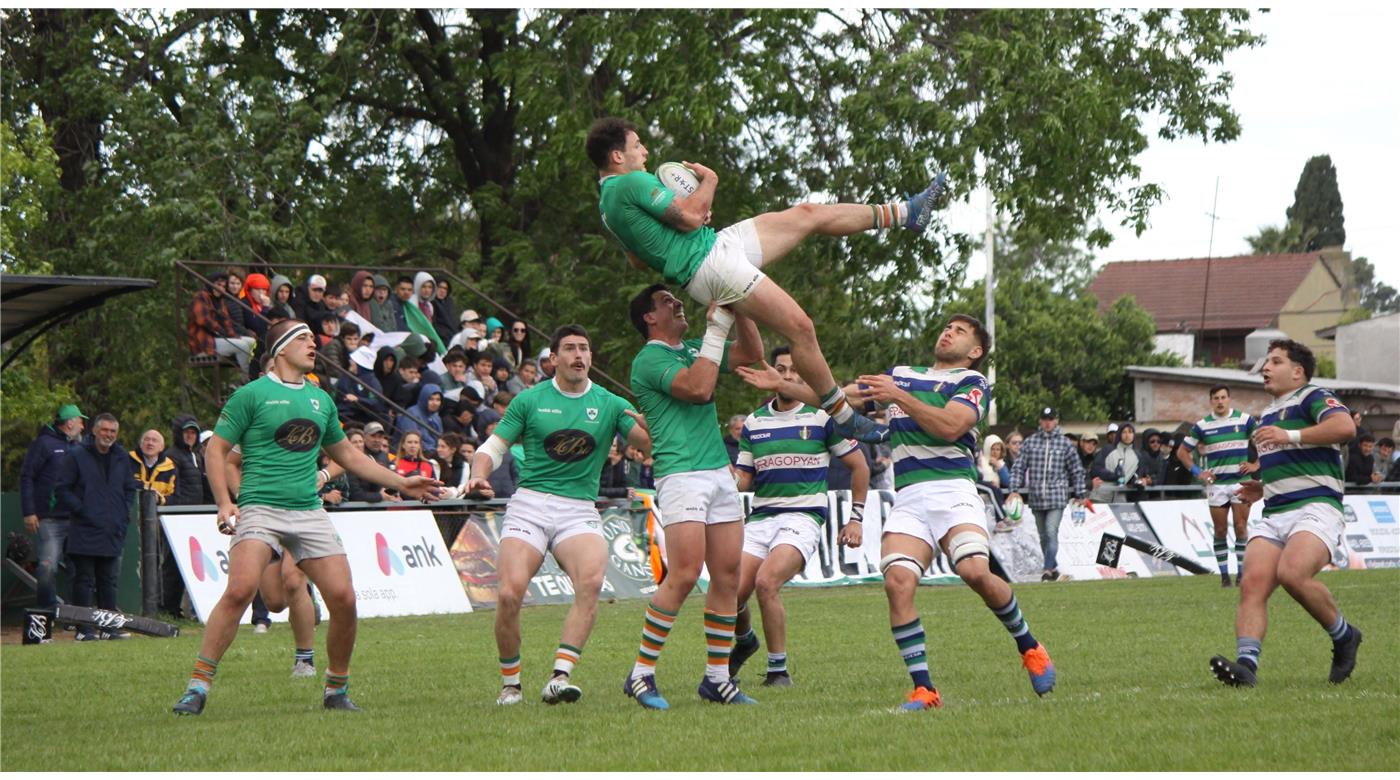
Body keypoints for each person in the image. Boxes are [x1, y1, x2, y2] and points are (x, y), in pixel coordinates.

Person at [739, 314, 1056, 710]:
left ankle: (1029, 646)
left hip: (953, 490)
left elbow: (950, 426)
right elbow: (838, 399)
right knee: (898, 583)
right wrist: (785, 385)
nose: (947, 332)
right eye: (947, 327)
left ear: (975, 352)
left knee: (974, 571)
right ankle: (924, 689)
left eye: (959, 331)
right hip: (908, 496)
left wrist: (898, 396)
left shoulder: (972, 383)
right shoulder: (902, 374)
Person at [588, 117, 947, 444]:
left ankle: (906, 213)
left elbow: (637, 258)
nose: (645, 151)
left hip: (715, 247)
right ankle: (843, 414)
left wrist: (685, 217)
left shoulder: (607, 203)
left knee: (807, 214)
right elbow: (692, 217)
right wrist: (707, 183)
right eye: (637, 145)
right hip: (710, 265)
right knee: (801, 328)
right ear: (618, 156)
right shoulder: (632, 181)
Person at [172, 318, 442, 716]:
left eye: (315, 339)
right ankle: (198, 685)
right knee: (241, 590)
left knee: (344, 598)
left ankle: (336, 688)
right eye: (304, 338)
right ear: (281, 348)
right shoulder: (252, 395)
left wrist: (402, 483)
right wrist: (225, 502)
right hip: (260, 507)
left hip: (308, 509)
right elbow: (217, 451)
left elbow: (348, 456)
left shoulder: (320, 399)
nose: (313, 344)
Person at [467, 324, 653, 705]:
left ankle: (559, 676)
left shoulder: (610, 403)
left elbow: (647, 444)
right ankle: (511, 684)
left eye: (584, 348)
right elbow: (492, 447)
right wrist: (477, 475)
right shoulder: (530, 401)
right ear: (553, 359)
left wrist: (657, 422)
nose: (578, 355)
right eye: (569, 348)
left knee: (591, 581)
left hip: (579, 509)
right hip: (530, 504)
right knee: (508, 593)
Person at [620, 283, 763, 708]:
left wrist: (739, 301)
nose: (678, 303)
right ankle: (641, 674)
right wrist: (717, 327)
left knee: (727, 575)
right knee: (683, 574)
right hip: (680, 473)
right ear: (649, 317)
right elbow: (699, 389)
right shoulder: (650, 358)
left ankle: (717, 678)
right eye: (667, 302)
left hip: (719, 471)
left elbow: (752, 351)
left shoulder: (696, 347)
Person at [1209, 339, 1361, 689]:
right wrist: (1263, 487)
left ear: (1297, 372)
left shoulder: (1313, 395)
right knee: (1253, 583)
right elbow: (1293, 461)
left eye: (1275, 361)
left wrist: (1288, 434)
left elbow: (1345, 428)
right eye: (1266, 361)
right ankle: (1246, 666)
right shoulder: (1269, 413)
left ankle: (1344, 636)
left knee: (1292, 573)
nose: (1266, 367)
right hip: (1276, 511)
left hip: (1317, 506)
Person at [729, 345, 868, 687]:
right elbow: (744, 479)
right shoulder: (754, 423)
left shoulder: (822, 418)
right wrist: (719, 479)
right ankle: (745, 640)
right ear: (772, 373)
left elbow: (859, 466)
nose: (788, 376)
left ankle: (778, 671)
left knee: (766, 582)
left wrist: (856, 519)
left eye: (795, 370)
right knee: (729, 595)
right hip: (761, 519)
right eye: (781, 369)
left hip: (803, 517)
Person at [53, 413, 141, 640]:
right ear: (94, 430)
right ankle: (84, 629)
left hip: (113, 529)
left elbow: (129, 488)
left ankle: (109, 628)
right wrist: (82, 510)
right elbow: (62, 489)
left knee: (108, 581)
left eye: (113, 431)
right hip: (84, 528)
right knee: (84, 580)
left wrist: (124, 513)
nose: (109, 435)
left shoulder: (121, 456)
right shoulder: (76, 455)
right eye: (105, 430)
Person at [1177, 386, 1261, 586]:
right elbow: (1182, 452)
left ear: (1229, 399)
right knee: (1220, 530)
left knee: (1241, 528)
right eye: (1216, 398)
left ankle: (1241, 574)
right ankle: (1224, 576)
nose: (1220, 401)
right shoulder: (1202, 425)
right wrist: (1199, 472)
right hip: (1217, 485)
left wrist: (1256, 464)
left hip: (1241, 482)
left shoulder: (1245, 420)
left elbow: (1264, 443)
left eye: (1223, 397)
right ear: (1211, 401)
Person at [1007, 408, 1087, 582]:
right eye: (1044, 419)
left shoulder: (1065, 444)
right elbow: (1018, 467)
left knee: (1051, 531)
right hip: (1036, 498)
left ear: (1056, 420)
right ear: (1040, 421)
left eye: (1051, 419)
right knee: (1043, 536)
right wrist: (1014, 489)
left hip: (1057, 497)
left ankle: (1047, 570)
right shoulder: (1030, 443)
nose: (1048, 422)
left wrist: (1080, 493)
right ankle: (1054, 568)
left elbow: (1076, 470)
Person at [21, 404, 87, 608]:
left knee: (79, 568)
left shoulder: (79, 447)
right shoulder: (43, 444)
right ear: (70, 423)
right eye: (80, 421)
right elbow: (27, 476)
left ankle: (74, 615)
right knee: (47, 567)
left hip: (75, 517)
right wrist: (29, 511)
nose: (83, 426)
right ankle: (46, 614)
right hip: (49, 519)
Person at [187, 272, 256, 373]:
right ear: (211, 283)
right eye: (218, 285)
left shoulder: (220, 300)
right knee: (243, 346)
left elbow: (226, 321)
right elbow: (203, 320)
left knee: (252, 342)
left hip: (218, 339)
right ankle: (249, 376)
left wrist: (232, 335)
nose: (220, 288)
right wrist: (221, 331)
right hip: (204, 343)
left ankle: (249, 372)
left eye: (223, 286)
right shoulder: (201, 297)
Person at [130, 429, 178, 504]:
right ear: (141, 444)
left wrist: (159, 499)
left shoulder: (171, 468)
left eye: (154, 440)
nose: (150, 443)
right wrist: (145, 488)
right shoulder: (128, 460)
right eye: (147, 439)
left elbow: (175, 497)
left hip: (159, 512)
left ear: (161, 447)